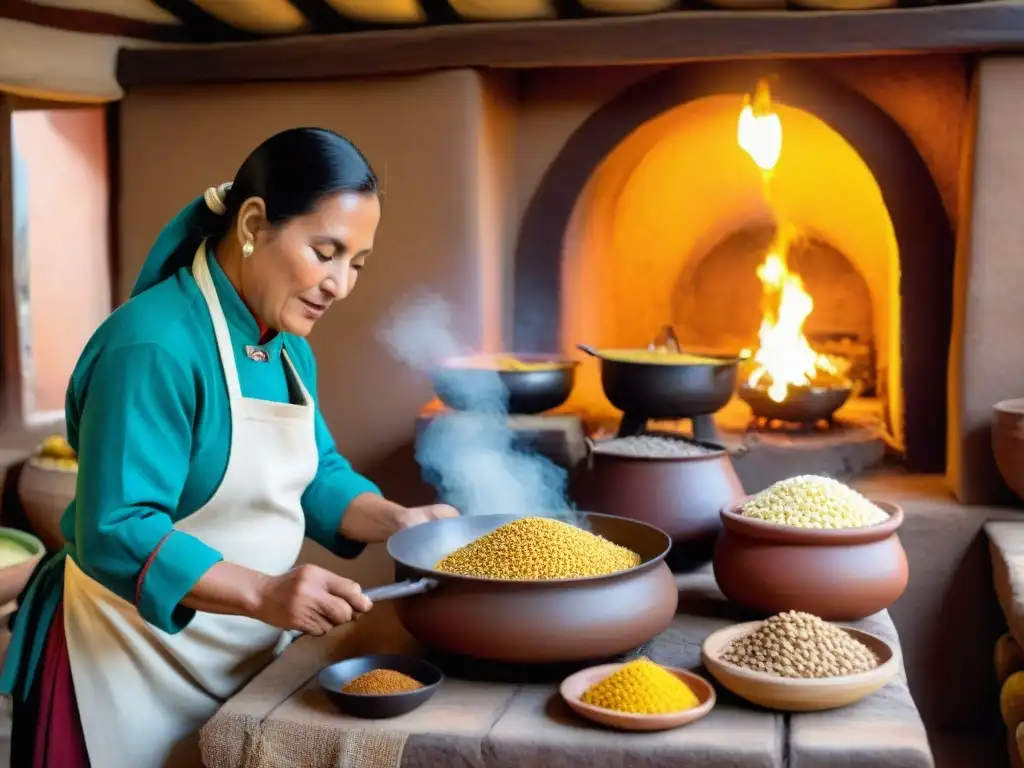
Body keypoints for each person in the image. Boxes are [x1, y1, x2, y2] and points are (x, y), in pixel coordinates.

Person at [0, 127, 458, 768]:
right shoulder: (153, 346)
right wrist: (267, 595)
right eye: (325, 252)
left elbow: (315, 472)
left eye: (356, 263)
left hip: (239, 659)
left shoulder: (288, 344)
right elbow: (115, 529)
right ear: (251, 222)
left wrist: (401, 523)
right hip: (124, 665)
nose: (340, 285)